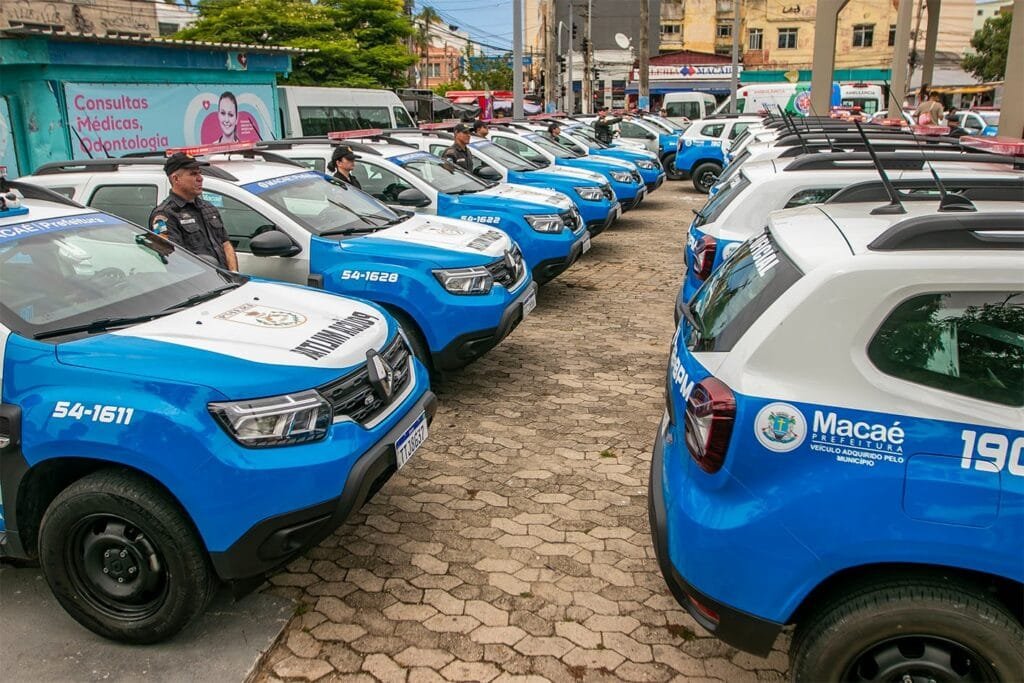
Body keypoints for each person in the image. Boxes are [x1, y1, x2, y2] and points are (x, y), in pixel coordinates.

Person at [150, 152, 238, 271]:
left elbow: (225, 243)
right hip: (200, 279)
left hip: (224, 279)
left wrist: (233, 273)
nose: (200, 178)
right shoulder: (165, 215)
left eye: (199, 173)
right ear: (176, 179)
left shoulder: (207, 207)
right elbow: (173, 259)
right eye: (193, 174)